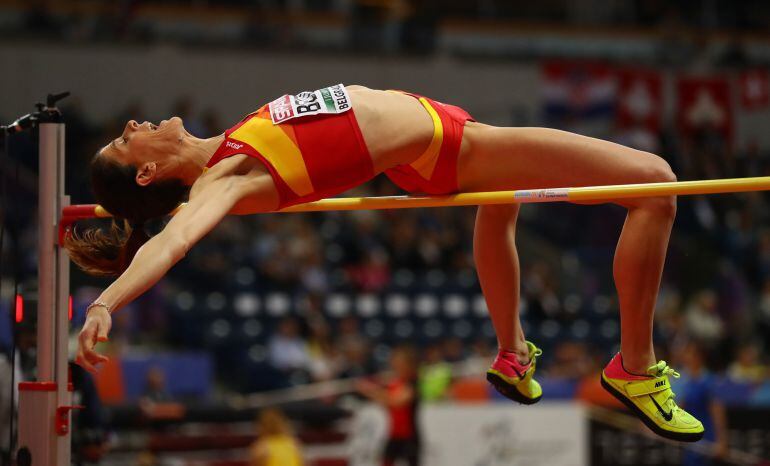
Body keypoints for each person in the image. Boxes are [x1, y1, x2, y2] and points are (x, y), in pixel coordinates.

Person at [67, 83, 703, 441]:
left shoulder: (229, 143)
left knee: (502, 206)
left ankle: (512, 352)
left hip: (436, 139)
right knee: (655, 183)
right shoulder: (224, 178)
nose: (131, 122)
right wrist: (104, 303)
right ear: (148, 171)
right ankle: (635, 369)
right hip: (452, 146)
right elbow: (173, 242)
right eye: (126, 140)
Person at [357, 346, 420, 466]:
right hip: (394, 435)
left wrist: (370, 390)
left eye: (399, 363)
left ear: (409, 365)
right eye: (394, 362)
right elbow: (387, 400)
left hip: (409, 437)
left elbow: (395, 402)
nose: (396, 366)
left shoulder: (412, 384)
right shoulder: (395, 382)